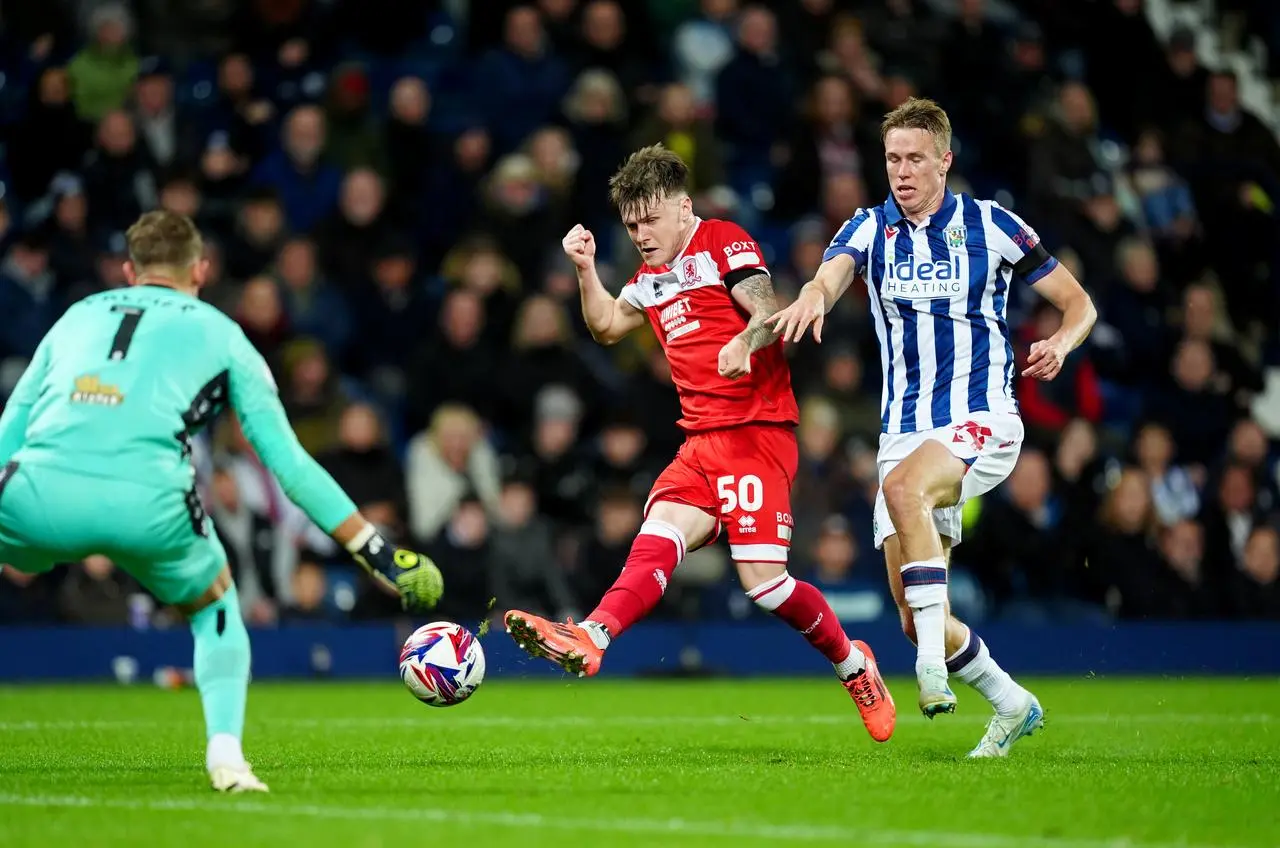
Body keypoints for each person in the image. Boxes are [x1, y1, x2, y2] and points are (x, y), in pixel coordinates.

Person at [0, 211, 444, 792]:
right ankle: (228, 761)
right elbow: (289, 466)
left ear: (131, 270)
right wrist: (376, 550)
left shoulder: (74, 317)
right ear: (201, 270)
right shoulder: (224, 334)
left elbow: (11, 427)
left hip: (39, 496)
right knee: (216, 612)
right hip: (149, 506)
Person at [503, 144, 895, 743]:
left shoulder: (721, 242)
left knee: (764, 585)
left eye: (650, 219)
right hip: (701, 443)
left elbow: (769, 306)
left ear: (683, 208)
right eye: (631, 224)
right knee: (658, 532)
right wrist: (586, 269)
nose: (640, 233)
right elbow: (606, 325)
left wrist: (746, 341)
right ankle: (591, 636)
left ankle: (854, 665)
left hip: (756, 434)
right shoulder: (649, 278)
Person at [769, 98, 1096, 757]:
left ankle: (928, 676)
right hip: (904, 431)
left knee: (906, 494)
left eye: (916, 158)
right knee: (918, 618)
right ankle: (1011, 703)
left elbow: (1079, 304)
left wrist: (1062, 342)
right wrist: (811, 293)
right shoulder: (869, 228)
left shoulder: (992, 225)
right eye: (892, 159)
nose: (902, 171)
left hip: (983, 418)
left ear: (945, 160)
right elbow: (829, 277)